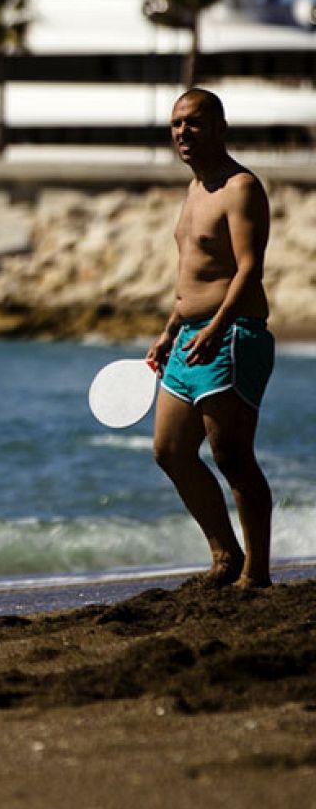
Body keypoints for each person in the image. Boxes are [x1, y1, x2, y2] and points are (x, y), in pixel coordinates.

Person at [145, 89, 275, 590]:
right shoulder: (195, 188)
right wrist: (169, 332)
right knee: (170, 451)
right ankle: (225, 555)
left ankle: (256, 574)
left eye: (194, 123)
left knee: (232, 456)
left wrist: (216, 327)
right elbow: (194, 273)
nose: (182, 132)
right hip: (188, 339)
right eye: (176, 124)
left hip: (232, 336)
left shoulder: (240, 187)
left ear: (220, 127)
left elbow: (249, 269)